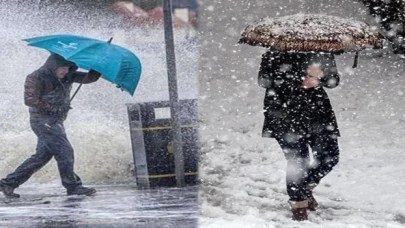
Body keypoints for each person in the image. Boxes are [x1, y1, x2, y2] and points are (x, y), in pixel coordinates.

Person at [0, 54, 101, 198]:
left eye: (68, 68)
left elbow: (89, 78)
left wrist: (96, 67)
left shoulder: (68, 75)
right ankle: (73, 186)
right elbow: (29, 100)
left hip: (56, 121)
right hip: (42, 121)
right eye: (63, 68)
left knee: (41, 157)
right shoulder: (36, 77)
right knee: (65, 151)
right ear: (53, 66)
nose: (65, 71)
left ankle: (8, 183)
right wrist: (51, 108)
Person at [258, 51, 340, 221]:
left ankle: (305, 187)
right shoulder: (276, 51)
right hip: (284, 112)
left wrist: (321, 76)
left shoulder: (321, 49)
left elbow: (333, 81)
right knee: (298, 161)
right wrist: (299, 78)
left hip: (318, 112)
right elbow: (264, 80)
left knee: (330, 156)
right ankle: (299, 204)